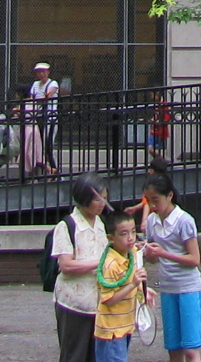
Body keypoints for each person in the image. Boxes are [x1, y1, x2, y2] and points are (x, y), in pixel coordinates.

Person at [140, 172, 201, 362]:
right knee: (173, 347)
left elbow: (195, 259)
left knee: (191, 348)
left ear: (169, 196)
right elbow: (154, 257)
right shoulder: (152, 221)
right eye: (148, 201)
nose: (152, 206)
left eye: (156, 200)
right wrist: (147, 253)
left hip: (189, 288)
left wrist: (162, 253)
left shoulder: (184, 220)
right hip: (168, 288)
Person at [50, 176, 109, 362]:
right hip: (73, 302)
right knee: (74, 354)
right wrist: (99, 263)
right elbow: (66, 265)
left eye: (104, 199)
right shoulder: (67, 226)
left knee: (94, 356)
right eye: (97, 199)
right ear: (84, 199)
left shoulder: (100, 224)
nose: (102, 204)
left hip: (97, 303)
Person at [92, 208, 145, 362]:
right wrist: (133, 285)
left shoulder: (131, 253)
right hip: (111, 331)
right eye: (124, 234)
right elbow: (108, 300)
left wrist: (144, 292)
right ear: (111, 238)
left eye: (133, 232)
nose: (131, 238)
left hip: (125, 326)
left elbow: (133, 281)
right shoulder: (110, 264)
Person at [22, 61, 61, 177]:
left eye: (43, 72)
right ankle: (39, 172)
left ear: (48, 72)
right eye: (39, 72)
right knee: (37, 146)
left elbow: (47, 95)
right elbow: (31, 98)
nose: (41, 74)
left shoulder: (53, 84)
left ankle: (54, 170)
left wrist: (36, 101)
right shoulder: (35, 84)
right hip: (37, 118)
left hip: (49, 118)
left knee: (47, 144)